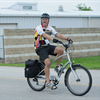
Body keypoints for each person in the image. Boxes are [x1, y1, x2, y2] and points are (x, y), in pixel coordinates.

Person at [34, 13, 73, 89]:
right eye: (43, 19)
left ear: (48, 20)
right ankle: (48, 82)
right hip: (40, 47)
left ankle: (57, 67)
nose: (44, 20)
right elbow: (44, 35)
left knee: (61, 50)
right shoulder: (39, 28)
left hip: (47, 46)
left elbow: (58, 35)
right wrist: (52, 39)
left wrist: (67, 39)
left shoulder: (50, 28)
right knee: (48, 63)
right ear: (41, 20)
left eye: (46, 19)